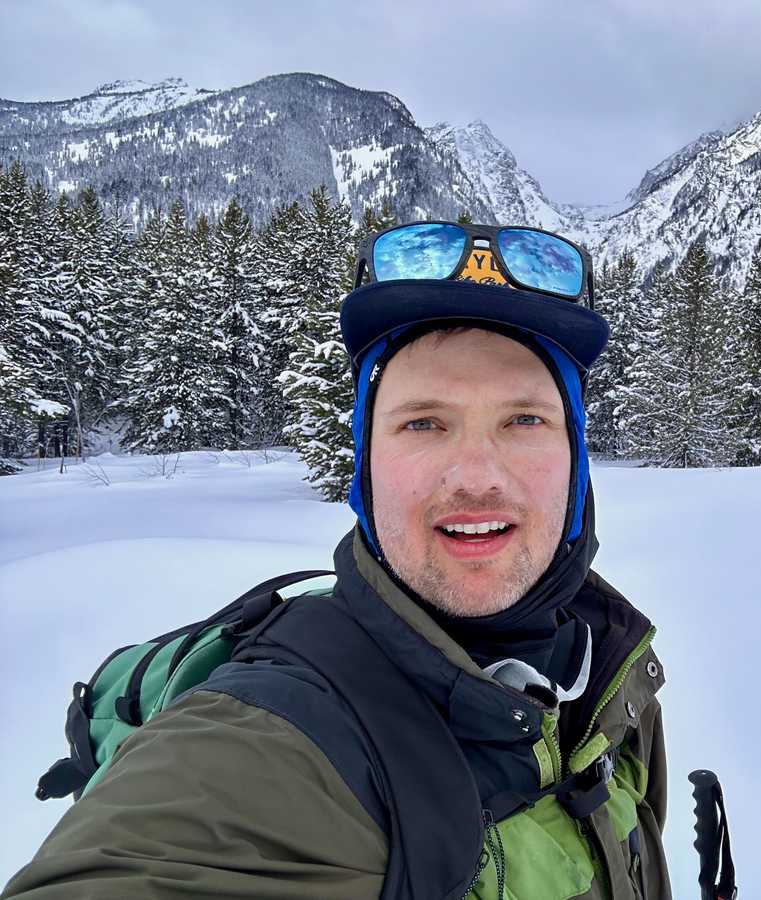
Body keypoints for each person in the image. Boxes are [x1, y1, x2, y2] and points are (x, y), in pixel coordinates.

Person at [3, 221, 671, 899]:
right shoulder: (270, 741)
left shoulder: (605, 675)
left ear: (576, 459)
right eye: (423, 423)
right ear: (366, 465)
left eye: (524, 420)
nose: (476, 476)